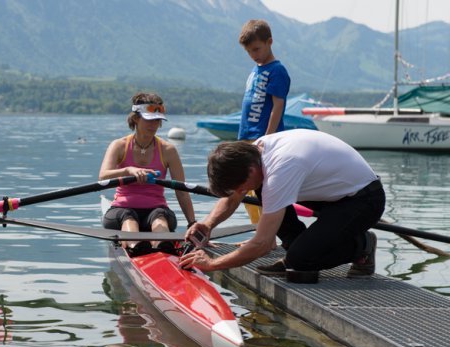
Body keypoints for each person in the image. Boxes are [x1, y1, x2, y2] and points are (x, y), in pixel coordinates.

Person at [179, 129, 385, 279]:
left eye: (241, 188)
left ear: (250, 170)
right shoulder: (250, 154)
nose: (241, 194)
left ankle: (363, 245)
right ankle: (297, 245)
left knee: (300, 261)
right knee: (262, 189)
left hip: (364, 200)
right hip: (333, 195)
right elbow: (233, 196)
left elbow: (262, 244)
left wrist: (212, 264)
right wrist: (208, 225)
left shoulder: (281, 169)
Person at [99, 92, 196, 256]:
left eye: (158, 120)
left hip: (156, 209)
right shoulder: (119, 145)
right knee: (129, 217)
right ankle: (135, 246)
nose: (154, 124)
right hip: (122, 209)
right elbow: (103, 177)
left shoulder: (168, 150)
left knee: (160, 217)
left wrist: (192, 224)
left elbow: (181, 190)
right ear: (135, 118)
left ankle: (164, 248)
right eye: (149, 119)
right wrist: (129, 170)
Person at [237, 19, 290, 141]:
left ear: (269, 42)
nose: (253, 55)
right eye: (248, 51)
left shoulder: (277, 70)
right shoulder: (255, 70)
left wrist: (268, 138)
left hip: (263, 137)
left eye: (256, 49)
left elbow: (278, 106)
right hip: (246, 135)